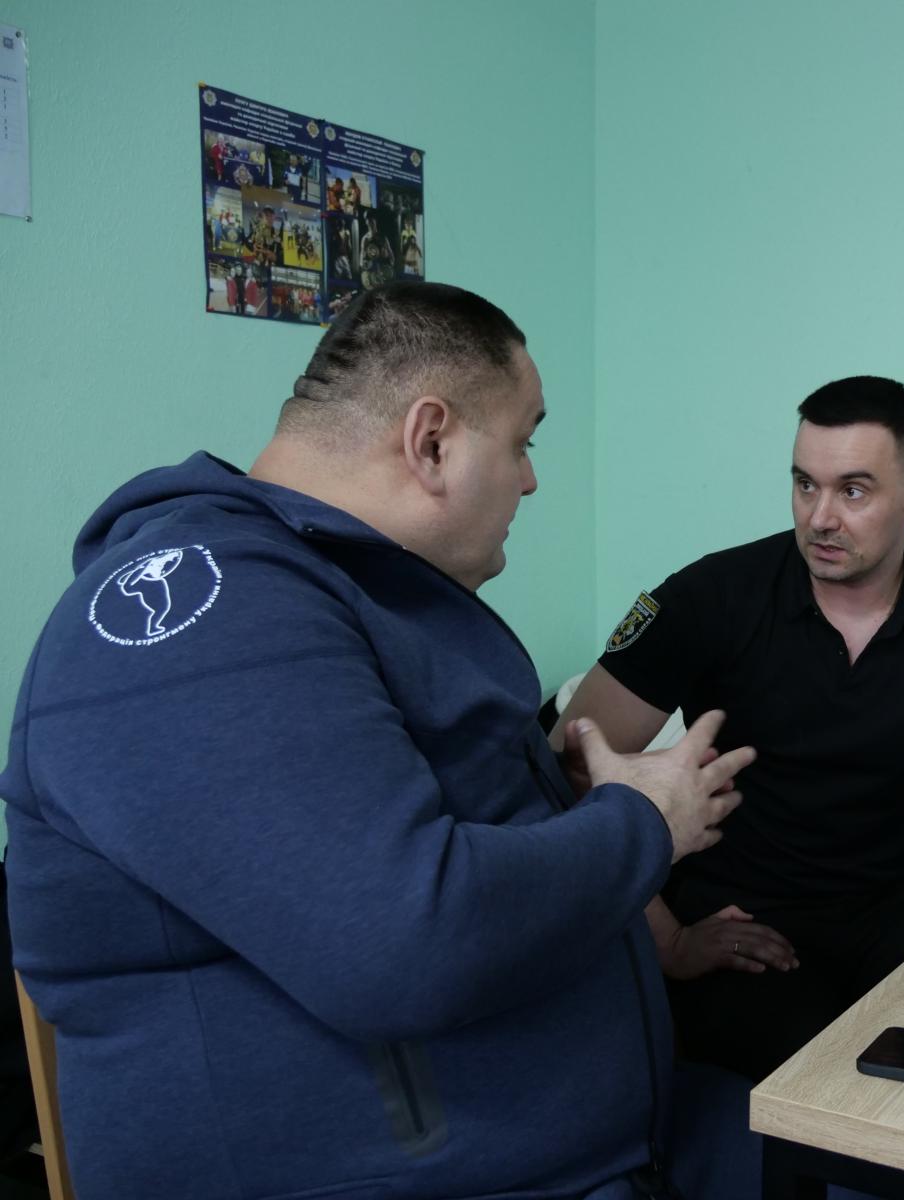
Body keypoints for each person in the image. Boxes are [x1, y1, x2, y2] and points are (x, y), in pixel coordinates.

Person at [2, 281, 761, 1199]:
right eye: (522, 442)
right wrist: (643, 824)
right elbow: (400, 941)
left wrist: (549, 798)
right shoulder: (209, 613)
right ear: (431, 441)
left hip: (581, 1145)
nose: (530, 479)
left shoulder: (332, 590)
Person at [555, 377, 904, 1083]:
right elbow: (570, 762)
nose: (820, 517)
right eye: (805, 485)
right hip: (740, 916)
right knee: (805, 1073)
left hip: (896, 911)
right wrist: (667, 940)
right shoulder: (710, 596)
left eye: (853, 491)